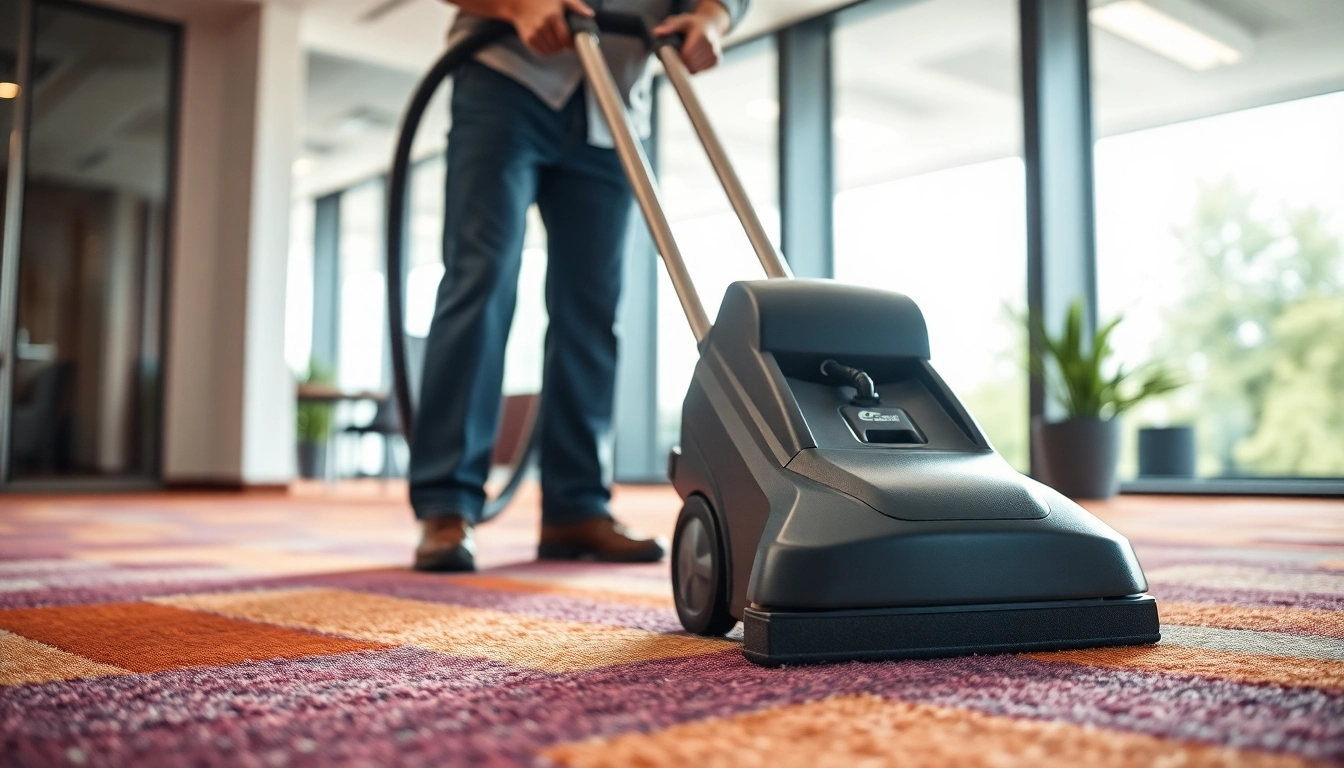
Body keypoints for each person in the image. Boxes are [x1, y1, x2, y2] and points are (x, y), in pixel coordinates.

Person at [412, 0, 748, 571]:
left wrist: (712, 18)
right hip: (505, 81)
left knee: (593, 307)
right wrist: (517, 6)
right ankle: (448, 503)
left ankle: (576, 506)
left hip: (613, 101)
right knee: (482, 281)